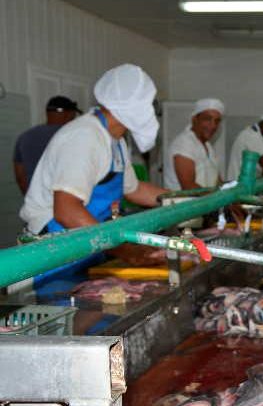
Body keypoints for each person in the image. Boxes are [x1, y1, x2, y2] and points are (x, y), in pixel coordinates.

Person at [20, 64, 167, 264]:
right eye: (148, 104)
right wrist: (125, 251)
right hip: (53, 249)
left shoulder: (116, 140)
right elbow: (66, 211)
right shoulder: (85, 137)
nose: (150, 111)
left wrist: (184, 200)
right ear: (130, 106)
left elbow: (134, 189)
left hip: (85, 242)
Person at [13, 96, 80, 194]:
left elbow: (20, 176)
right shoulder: (73, 137)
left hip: (35, 204)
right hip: (65, 202)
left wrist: (31, 198)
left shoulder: (24, 137)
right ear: (68, 114)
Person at [164, 98, 224, 190]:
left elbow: (217, 182)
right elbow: (189, 187)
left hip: (206, 202)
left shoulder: (207, 146)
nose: (213, 126)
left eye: (217, 121)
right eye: (208, 119)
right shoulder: (183, 144)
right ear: (194, 119)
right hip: (185, 203)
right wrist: (218, 198)